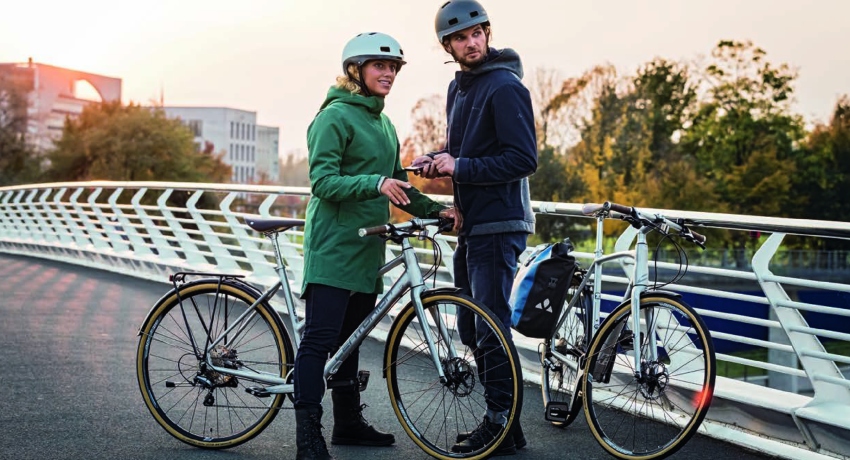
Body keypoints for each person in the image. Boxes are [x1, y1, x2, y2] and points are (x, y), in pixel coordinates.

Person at [293, 32, 454, 460]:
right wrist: (375, 182)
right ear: (355, 71)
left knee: (351, 339)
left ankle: (347, 423)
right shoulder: (334, 117)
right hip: (332, 246)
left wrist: (437, 211)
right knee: (320, 340)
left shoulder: (383, 123)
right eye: (380, 66)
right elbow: (323, 182)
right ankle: (307, 436)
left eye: (394, 68)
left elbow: (395, 187)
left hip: (368, 247)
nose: (388, 74)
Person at [411, 0, 537, 455]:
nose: (471, 42)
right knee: (471, 326)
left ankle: (500, 424)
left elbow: (524, 160)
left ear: (487, 33)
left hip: (501, 223)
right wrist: (437, 158)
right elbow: (462, 149)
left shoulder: (504, 87)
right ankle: (509, 427)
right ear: (448, 45)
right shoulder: (459, 88)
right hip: (472, 224)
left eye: (476, 33)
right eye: (460, 38)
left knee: (490, 327)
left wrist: (458, 166)